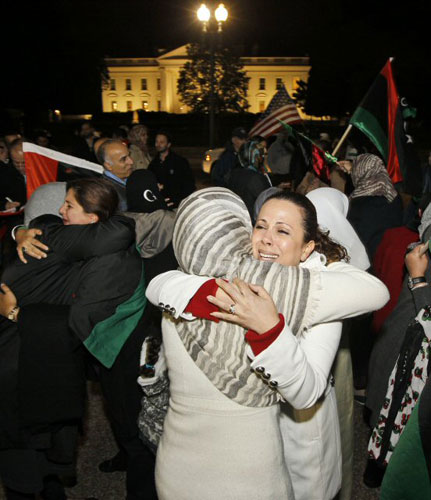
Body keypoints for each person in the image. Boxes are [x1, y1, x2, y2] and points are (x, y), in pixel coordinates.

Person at [145, 187, 389, 500]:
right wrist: (198, 290)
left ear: (306, 248)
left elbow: (306, 392)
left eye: (283, 231)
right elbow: (161, 284)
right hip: (238, 452)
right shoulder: (227, 276)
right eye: (260, 226)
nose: (266, 238)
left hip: (296, 438)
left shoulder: (324, 294)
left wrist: (268, 328)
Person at [0, 178, 156, 500]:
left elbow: (73, 324)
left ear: (92, 220)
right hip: (31, 364)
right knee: (28, 451)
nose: (61, 210)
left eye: (69, 205)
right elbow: (44, 222)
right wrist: (20, 232)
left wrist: (16, 315)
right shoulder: (56, 238)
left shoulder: (109, 255)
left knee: (130, 429)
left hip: (115, 353)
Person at [148, 130, 195, 208]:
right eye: (156, 142)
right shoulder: (153, 164)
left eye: (161, 142)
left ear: (168, 144)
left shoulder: (180, 162)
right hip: (160, 206)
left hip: (177, 205)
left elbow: (189, 184)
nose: (158, 144)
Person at [97, 139, 134, 210]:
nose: (131, 161)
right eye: (123, 159)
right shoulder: (108, 194)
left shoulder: (132, 178)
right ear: (108, 165)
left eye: (129, 155)